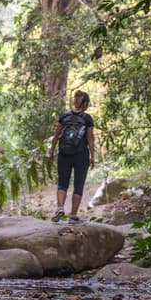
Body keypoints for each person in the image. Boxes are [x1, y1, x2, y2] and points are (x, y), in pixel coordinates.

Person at [48, 90, 96, 223]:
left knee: (62, 184)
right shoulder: (87, 118)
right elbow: (90, 138)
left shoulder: (64, 116)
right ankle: (73, 216)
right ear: (85, 103)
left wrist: (52, 150)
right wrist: (92, 156)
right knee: (78, 185)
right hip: (81, 155)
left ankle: (60, 208)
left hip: (64, 154)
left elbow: (56, 135)